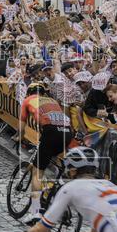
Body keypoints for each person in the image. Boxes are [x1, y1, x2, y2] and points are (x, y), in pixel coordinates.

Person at [20, 81, 74, 213]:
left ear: (28, 93)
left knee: (37, 173)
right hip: (68, 131)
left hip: (51, 131)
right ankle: (55, 187)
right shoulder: (52, 100)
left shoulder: (28, 100)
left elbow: (21, 126)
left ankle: (35, 212)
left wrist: (19, 138)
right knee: (54, 159)